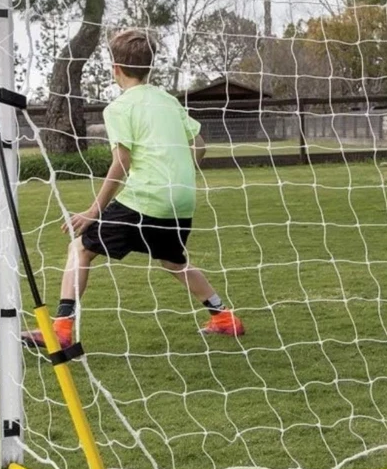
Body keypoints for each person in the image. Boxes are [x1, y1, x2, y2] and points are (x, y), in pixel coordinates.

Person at [21, 28, 243, 349]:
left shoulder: (119, 108)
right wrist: (177, 167)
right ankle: (223, 317)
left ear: (115, 69)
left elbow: (121, 162)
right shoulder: (167, 99)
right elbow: (200, 145)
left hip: (145, 199)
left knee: (80, 248)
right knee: (174, 263)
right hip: (180, 200)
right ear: (149, 67)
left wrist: (93, 210)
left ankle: (62, 330)